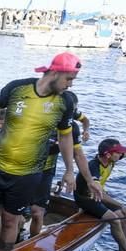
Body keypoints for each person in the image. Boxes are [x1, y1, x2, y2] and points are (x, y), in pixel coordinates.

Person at [0, 52, 95, 251]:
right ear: (55, 72)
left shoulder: (65, 102)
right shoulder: (17, 88)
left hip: (27, 174)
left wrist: (68, 169)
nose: (70, 85)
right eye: (69, 79)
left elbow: (65, 138)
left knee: (10, 220)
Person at [29, 94, 103, 237]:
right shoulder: (37, 117)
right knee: (14, 215)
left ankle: (31, 242)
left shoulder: (72, 126)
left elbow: (78, 155)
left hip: (46, 171)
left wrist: (90, 180)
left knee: (37, 213)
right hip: (23, 169)